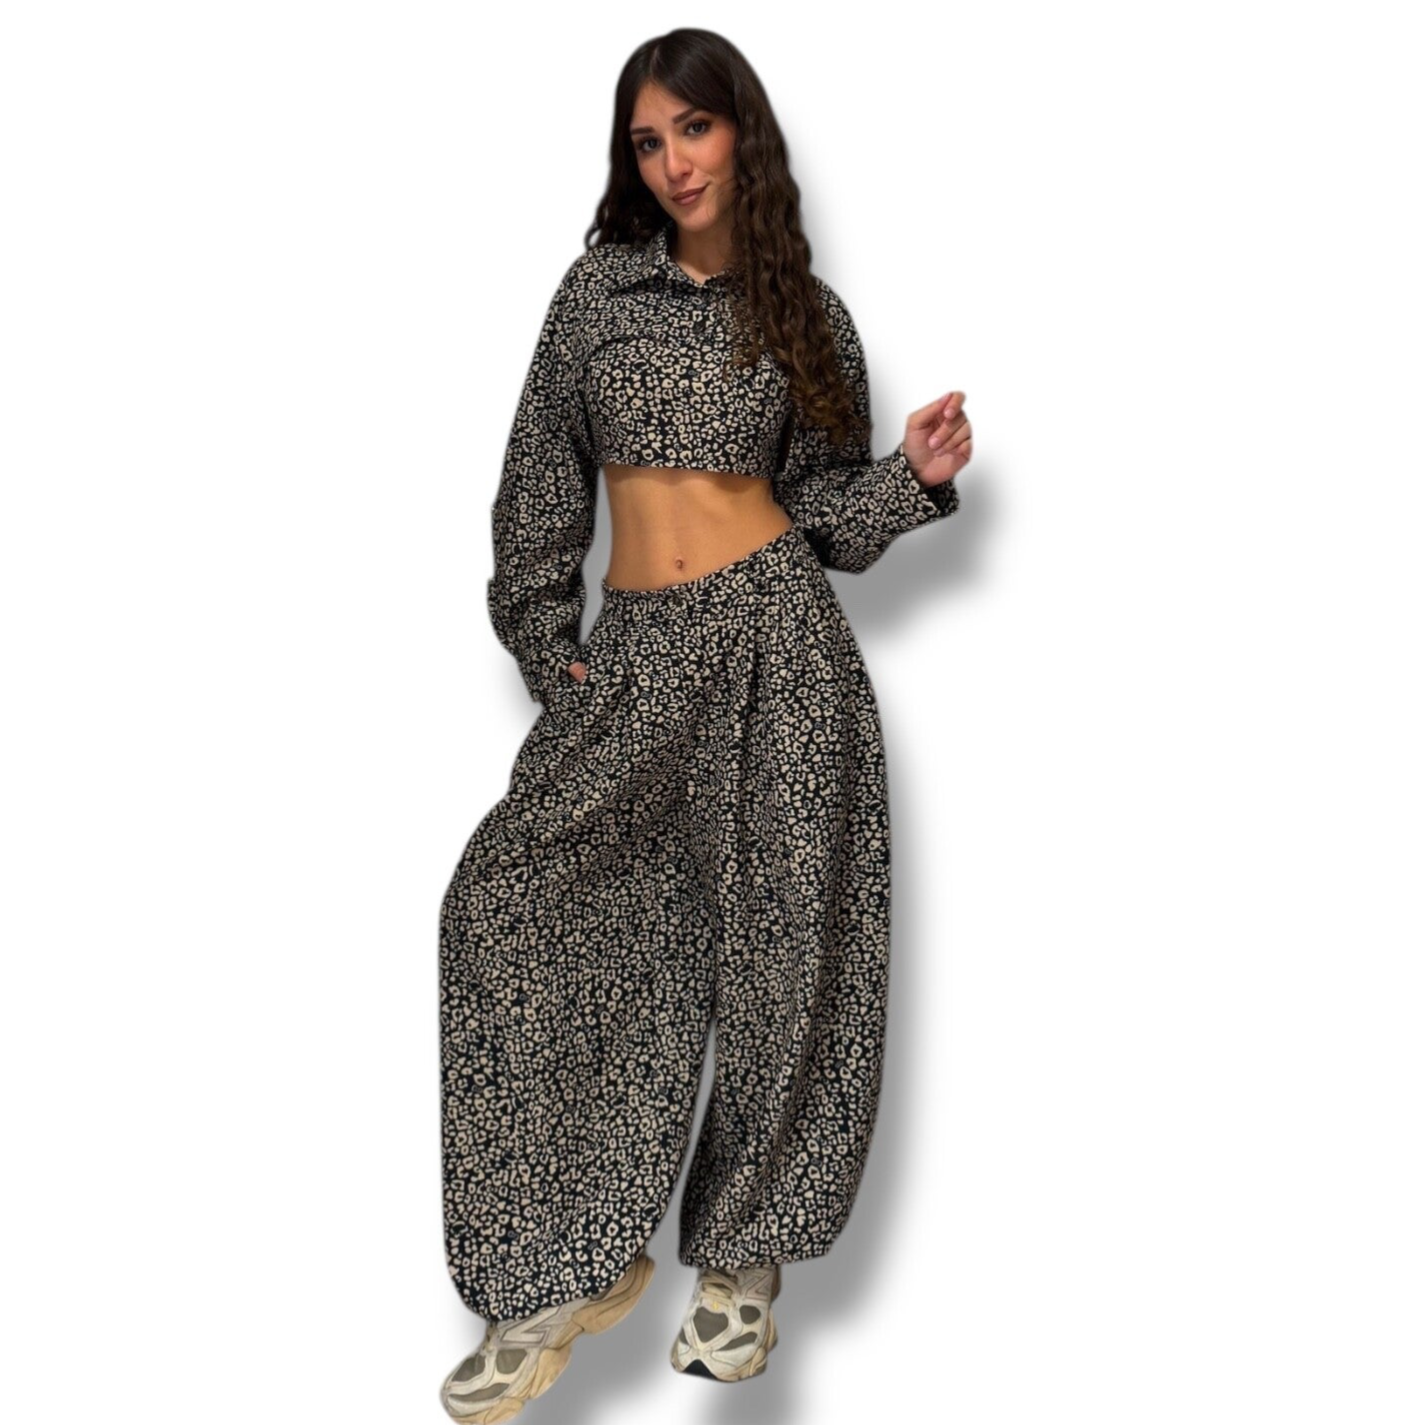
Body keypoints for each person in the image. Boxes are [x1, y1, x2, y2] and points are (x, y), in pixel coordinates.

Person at [437, 27, 972, 1421]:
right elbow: (538, 483)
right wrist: (551, 653)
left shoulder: (806, 317)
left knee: (787, 952)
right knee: (507, 910)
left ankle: (742, 1265)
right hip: (635, 659)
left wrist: (910, 479)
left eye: (695, 128)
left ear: (745, 136)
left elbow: (828, 515)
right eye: (648, 140)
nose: (674, 161)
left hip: (780, 643)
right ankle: (564, 1259)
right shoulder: (597, 295)